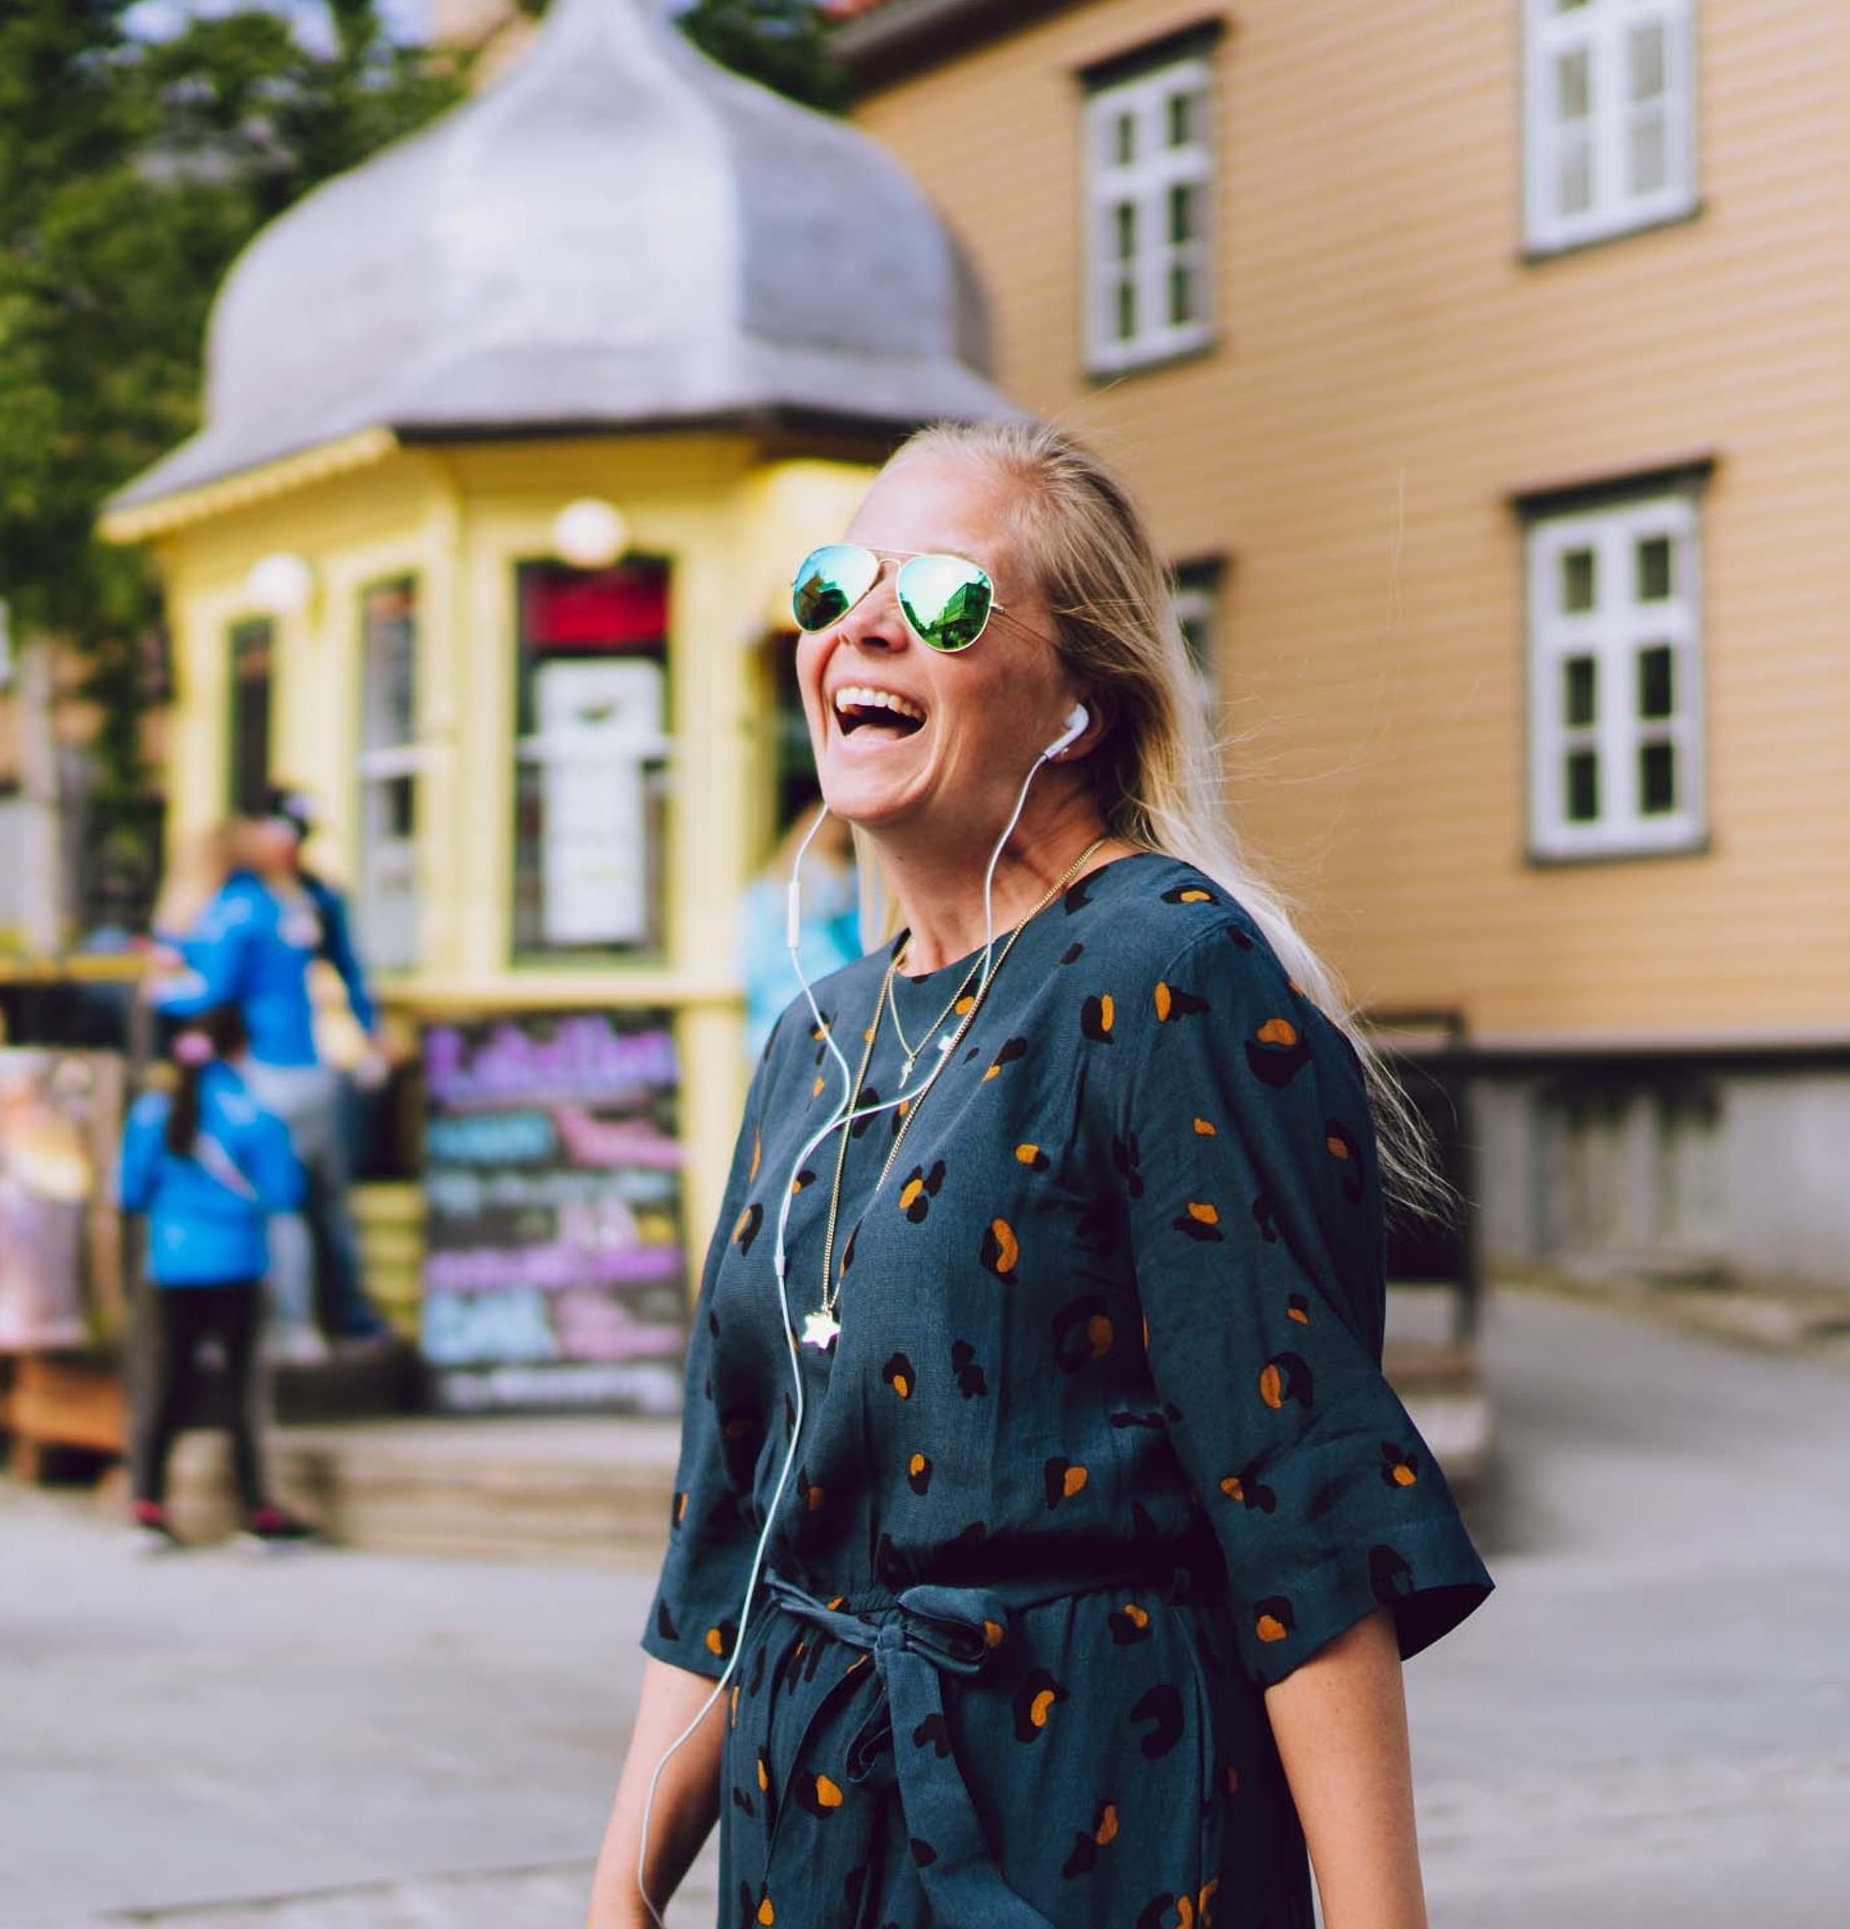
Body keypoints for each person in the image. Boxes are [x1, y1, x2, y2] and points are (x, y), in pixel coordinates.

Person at [589, 422, 1493, 1929]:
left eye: (942, 599)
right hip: (808, 1848)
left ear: (1079, 703)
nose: (862, 625)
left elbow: (1307, 1518)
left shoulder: (1170, 973)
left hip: (1097, 1828)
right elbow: (727, 1537)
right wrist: (620, 1898)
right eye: (834, 585)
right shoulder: (815, 1041)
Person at [153, 790, 392, 1350]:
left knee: (273, 1204)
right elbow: (351, 973)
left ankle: (288, 1327)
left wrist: (162, 982)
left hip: (264, 1074)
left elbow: (208, 989)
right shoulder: (302, 901)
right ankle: (339, 1314)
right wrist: (371, 1038)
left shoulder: (243, 906)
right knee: (321, 1199)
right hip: (313, 1069)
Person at [116, 1006, 318, 1552]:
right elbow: (284, 1193)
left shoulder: (151, 1113)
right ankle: (255, 1510)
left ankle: (147, 1505)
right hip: (237, 1263)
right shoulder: (256, 1114)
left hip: (170, 1263)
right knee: (238, 1388)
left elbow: (131, 1192)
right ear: (238, 1050)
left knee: (164, 1385)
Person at [740, 804, 864, 1051]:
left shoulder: (761, 894)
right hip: (832, 1026)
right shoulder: (848, 890)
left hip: (772, 1029)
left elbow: (748, 970)